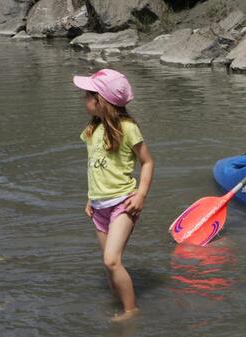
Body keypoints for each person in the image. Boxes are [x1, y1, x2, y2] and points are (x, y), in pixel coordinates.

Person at [73, 69, 154, 322]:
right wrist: (90, 197)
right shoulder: (92, 129)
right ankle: (119, 302)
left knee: (111, 260)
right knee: (108, 264)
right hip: (99, 206)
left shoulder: (128, 128)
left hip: (123, 203)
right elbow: (94, 165)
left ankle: (131, 311)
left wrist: (140, 194)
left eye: (88, 95)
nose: (84, 99)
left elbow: (148, 162)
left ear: (102, 100)